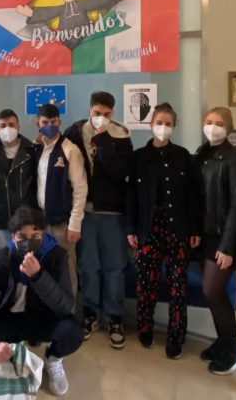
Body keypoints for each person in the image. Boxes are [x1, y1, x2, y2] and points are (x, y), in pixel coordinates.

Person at [0, 207, 82, 396]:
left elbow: (66, 306)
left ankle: (52, 359)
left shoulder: (57, 256)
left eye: (35, 235)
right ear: (12, 237)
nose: (28, 241)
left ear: (43, 234)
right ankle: (9, 359)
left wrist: (38, 276)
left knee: (73, 333)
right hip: (8, 319)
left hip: (40, 318)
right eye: (22, 236)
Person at [126, 103, 201, 360]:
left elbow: (192, 196)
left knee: (178, 286)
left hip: (177, 230)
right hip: (148, 230)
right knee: (146, 283)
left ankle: (176, 336)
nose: (163, 127)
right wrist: (131, 228)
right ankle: (145, 328)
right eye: (159, 122)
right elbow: (132, 196)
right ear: (151, 124)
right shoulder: (138, 157)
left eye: (168, 123)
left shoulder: (183, 156)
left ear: (174, 127)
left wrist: (194, 228)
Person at [64, 91, 132, 349]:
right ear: (89, 110)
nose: (100, 117)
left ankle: (115, 317)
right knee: (88, 266)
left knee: (114, 267)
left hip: (112, 212)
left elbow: (120, 173)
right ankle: (90, 314)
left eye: (106, 114)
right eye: (96, 113)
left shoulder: (121, 135)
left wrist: (103, 140)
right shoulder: (75, 132)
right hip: (86, 212)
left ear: (112, 113)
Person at [194, 107, 236, 374]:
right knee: (214, 293)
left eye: (219, 123)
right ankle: (223, 341)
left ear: (229, 128)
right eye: (209, 122)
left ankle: (233, 350)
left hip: (225, 237)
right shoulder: (202, 153)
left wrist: (227, 246)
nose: (213, 127)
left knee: (212, 290)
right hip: (207, 234)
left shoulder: (233, 158)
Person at [34, 103, 88, 297]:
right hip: (40, 220)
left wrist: (75, 224)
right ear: (38, 124)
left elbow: (80, 189)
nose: (50, 125)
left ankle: (68, 311)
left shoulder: (70, 149)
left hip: (63, 223)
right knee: (43, 268)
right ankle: (48, 311)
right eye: (45, 122)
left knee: (65, 268)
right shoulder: (37, 148)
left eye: (54, 121)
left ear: (60, 122)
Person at [0, 109, 37, 251]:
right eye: (3, 126)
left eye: (11, 125)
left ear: (18, 127)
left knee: (26, 260)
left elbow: (36, 185)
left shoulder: (32, 150)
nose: (7, 129)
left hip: (26, 220)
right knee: (1, 261)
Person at [16, 0, 127, 50]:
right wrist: (30, 13)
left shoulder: (83, 4)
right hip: (65, 43)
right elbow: (47, 12)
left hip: (87, 41)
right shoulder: (59, 9)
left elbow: (95, 0)